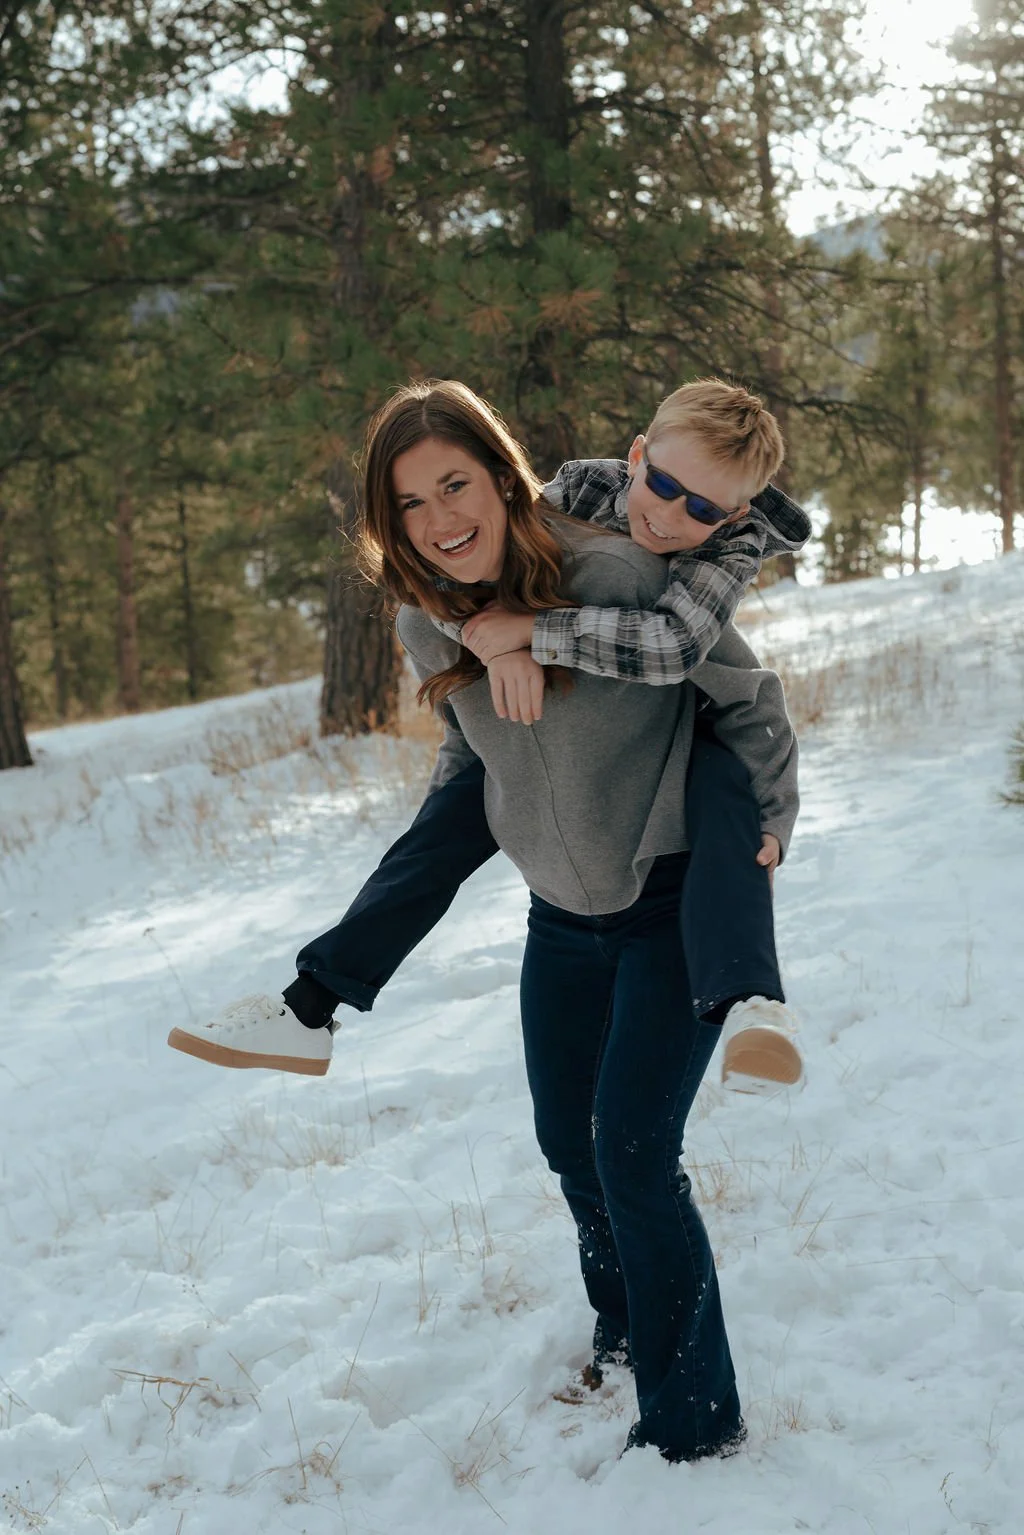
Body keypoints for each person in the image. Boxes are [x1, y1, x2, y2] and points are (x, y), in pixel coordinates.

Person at [169, 380, 800, 1464]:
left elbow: (746, 696)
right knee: (571, 1145)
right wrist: (491, 648)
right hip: (558, 918)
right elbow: (470, 750)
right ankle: (623, 1323)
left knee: (635, 1155)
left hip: (663, 904)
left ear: (504, 479)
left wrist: (768, 820)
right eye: (410, 502)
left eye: (455, 484)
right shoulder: (424, 618)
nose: (439, 517)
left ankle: (696, 1426)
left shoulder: (621, 578)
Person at [169, 380, 807, 1093]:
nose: (669, 513)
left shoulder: (712, 551)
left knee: (729, 797)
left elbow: (680, 648)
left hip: (687, 737)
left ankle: (753, 1001)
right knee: (444, 822)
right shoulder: (575, 496)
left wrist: (533, 634)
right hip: (567, 868)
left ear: (733, 514)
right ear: (636, 456)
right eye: (660, 484)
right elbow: (464, 572)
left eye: (701, 507)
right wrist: (494, 647)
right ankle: (309, 1006)